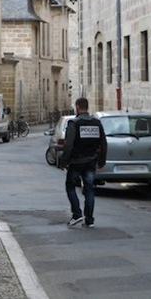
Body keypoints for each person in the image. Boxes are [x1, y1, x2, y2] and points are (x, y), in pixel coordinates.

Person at [58, 97, 107, 228]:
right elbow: (103, 143)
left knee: (70, 186)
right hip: (91, 161)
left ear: (78, 108)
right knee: (89, 189)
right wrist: (101, 161)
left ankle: (77, 214)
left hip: (76, 161)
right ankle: (89, 219)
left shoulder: (74, 123)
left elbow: (68, 145)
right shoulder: (97, 123)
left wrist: (64, 162)